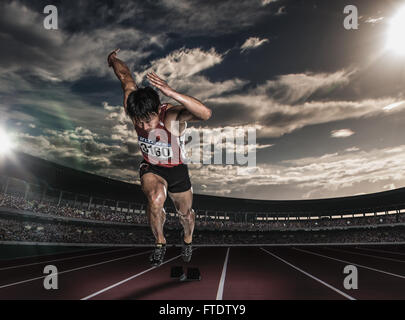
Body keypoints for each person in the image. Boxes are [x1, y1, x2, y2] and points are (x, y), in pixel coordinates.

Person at [107, 49, 212, 266]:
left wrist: (171, 92)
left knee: (186, 215)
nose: (144, 127)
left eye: (148, 121)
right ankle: (160, 243)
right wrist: (113, 60)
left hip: (177, 170)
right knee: (155, 199)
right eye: (139, 122)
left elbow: (205, 114)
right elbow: (125, 77)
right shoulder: (133, 105)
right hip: (152, 167)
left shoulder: (171, 116)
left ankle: (188, 239)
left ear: (158, 111)